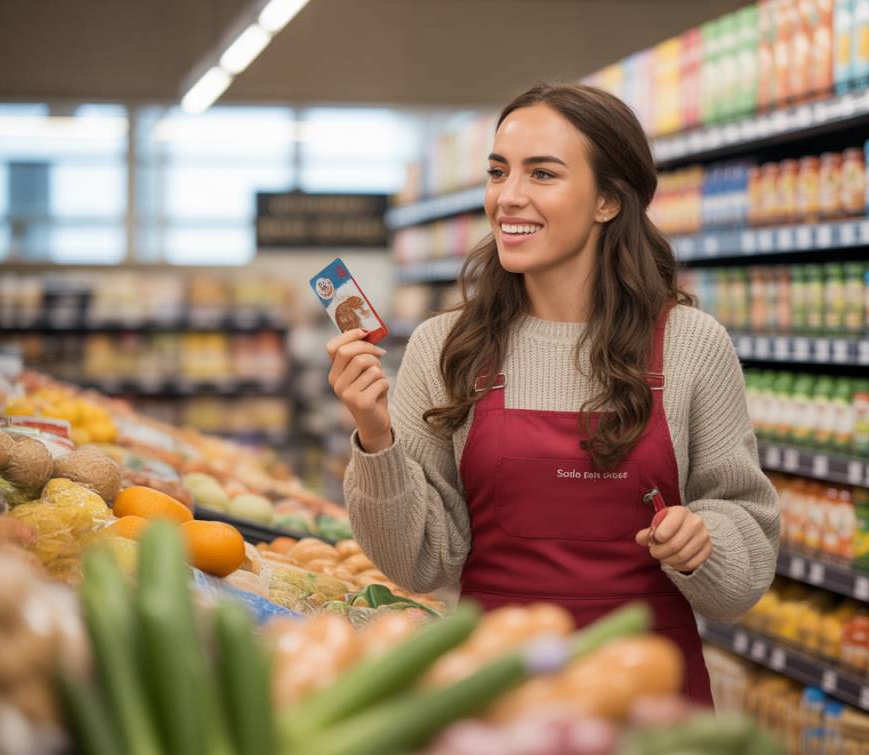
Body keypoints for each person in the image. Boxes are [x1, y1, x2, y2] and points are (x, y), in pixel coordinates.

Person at [327, 83, 779, 706]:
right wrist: (376, 438)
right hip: (496, 698)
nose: (508, 196)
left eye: (542, 173)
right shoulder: (445, 347)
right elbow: (420, 564)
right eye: (498, 172)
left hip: (649, 704)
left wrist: (705, 541)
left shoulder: (690, 345)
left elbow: (745, 562)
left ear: (608, 201)